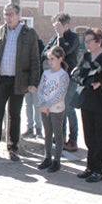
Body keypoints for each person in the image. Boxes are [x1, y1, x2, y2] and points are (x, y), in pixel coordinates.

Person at [0, 3, 40, 161]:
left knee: (14, 115)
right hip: (1, 79)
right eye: (6, 14)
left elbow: (35, 59)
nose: (8, 18)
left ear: (18, 15)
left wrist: (33, 82)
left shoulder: (29, 33)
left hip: (19, 80)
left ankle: (13, 149)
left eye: (11, 14)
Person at [71, 29, 102, 182]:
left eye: (89, 41)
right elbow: (76, 73)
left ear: (99, 41)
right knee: (89, 136)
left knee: (101, 136)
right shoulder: (86, 56)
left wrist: (93, 79)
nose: (86, 44)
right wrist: (89, 80)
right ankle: (90, 167)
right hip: (87, 100)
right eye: (86, 41)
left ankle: (99, 170)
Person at [41, 12, 80, 152]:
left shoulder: (73, 38)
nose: (55, 29)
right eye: (54, 27)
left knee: (68, 108)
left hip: (69, 78)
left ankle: (73, 140)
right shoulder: (54, 37)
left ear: (66, 26)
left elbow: (62, 52)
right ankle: (60, 138)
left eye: (58, 26)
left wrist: (60, 36)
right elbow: (45, 52)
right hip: (56, 79)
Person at [36, 46, 69, 173]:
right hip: (45, 108)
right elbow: (41, 89)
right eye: (49, 59)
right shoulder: (46, 73)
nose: (50, 62)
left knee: (58, 134)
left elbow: (60, 93)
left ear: (60, 59)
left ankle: (57, 161)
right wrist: (43, 104)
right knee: (47, 133)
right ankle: (47, 157)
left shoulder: (63, 75)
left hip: (56, 109)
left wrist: (48, 105)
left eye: (53, 59)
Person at [23, 37, 45, 139]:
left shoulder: (40, 48)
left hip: (37, 81)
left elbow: (39, 68)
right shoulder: (24, 48)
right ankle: (29, 127)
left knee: (37, 105)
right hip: (27, 81)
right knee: (28, 105)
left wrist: (35, 84)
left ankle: (39, 129)